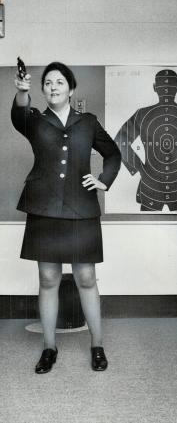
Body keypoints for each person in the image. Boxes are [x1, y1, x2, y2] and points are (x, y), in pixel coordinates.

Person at [12, 62, 121, 373]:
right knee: (48, 280)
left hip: (81, 209)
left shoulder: (87, 122)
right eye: (47, 82)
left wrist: (104, 180)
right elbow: (18, 115)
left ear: (71, 89)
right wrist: (22, 93)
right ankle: (49, 347)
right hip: (44, 209)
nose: (53, 87)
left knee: (86, 278)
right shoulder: (34, 120)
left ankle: (97, 345)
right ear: (42, 89)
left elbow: (113, 153)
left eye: (60, 82)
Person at [114, 69, 177, 211]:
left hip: (157, 187)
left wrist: (139, 168)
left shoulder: (143, 114)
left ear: (154, 87)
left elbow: (119, 142)